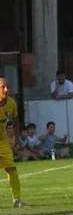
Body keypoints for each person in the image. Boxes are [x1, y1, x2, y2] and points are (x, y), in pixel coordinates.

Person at [0, 77, 29, 207]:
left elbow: (16, 119)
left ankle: (16, 200)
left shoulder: (11, 102)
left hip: (3, 142)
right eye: (2, 87)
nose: (6, 89)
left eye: (7, 87)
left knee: (11, 168)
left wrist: (16, 137)